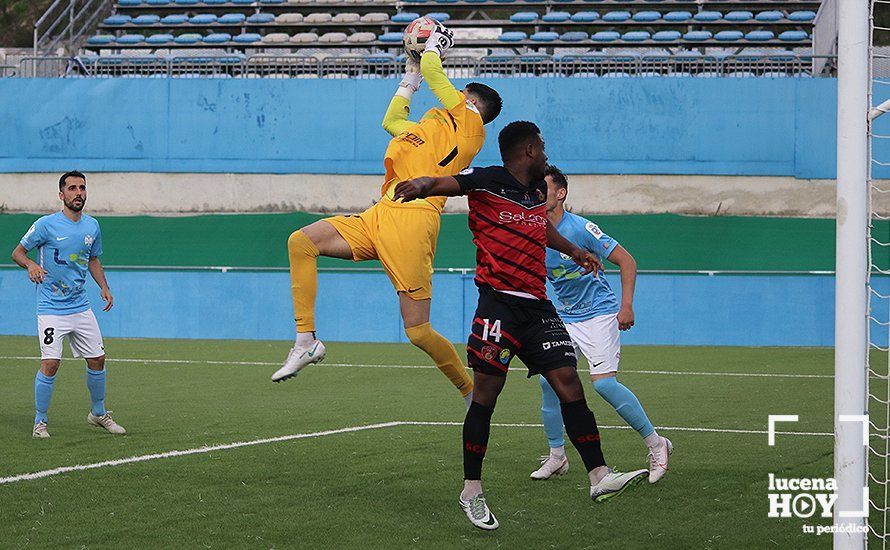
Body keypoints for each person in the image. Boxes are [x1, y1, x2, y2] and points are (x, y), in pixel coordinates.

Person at [394, 121, 647, 531]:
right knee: (486, 397)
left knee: (569, 383)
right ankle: (471, 490)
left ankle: (599, 476)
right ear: (529, 149)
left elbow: (540, 228)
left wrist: (576, 252)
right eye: (542, 146)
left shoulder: (534, 194)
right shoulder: (489, 180)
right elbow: (453, 182)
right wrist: (422, 184)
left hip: (539, 309)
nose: (546, 152)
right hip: (498, 305)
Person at [273, 22, 503, 410]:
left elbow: (434, 70)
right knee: (302, 241)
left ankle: (471, 392)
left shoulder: (470, 126)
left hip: (415, 219)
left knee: (417, 331)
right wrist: (409, 76)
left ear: (471, 102)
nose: (452, 95)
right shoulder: (433, 127)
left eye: (460, 93)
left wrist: (434, 45)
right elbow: (392, 121)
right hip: (381, 212)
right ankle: (306, 341)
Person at [531, 166, 672, 484]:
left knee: (604, 385)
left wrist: (626, 305)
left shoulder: (581, 229)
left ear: (561, 193)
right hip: (566, 317)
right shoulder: (536, 232)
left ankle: (656, 443)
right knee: (547, 382)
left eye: (545, 187)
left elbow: (627, 260)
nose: (539, 192)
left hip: (599, 314)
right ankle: (557, 456)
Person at [11, 171, 125, 439]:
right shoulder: (45, 225)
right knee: (51, 363)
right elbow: (17, 252)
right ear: (61, 195)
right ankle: (40, 422)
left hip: (81, 306)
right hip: (51, 308)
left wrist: (104, 287)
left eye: (82, 188)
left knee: (97, 359)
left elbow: (93, 260)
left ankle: (98, 413)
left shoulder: (92, 226)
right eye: (72, 188)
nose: (79, 193)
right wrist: (31, 265)